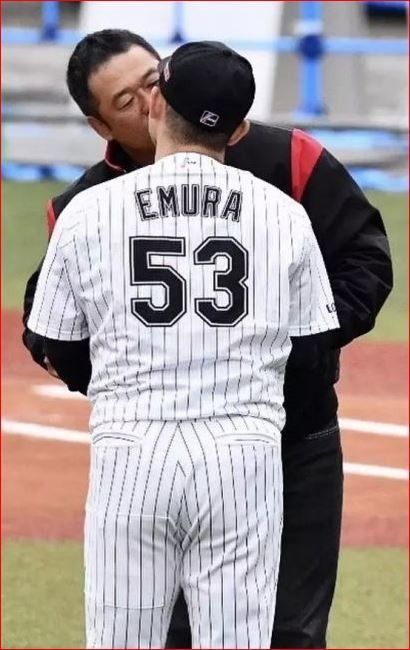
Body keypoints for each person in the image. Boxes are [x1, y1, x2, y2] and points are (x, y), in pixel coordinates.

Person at [22, 30, 393, 649]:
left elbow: (364, 265)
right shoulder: (84, 203)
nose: (145, 102)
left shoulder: (290, 161)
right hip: (223, 450)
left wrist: (280, 364)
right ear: (99, 125)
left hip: (290, 442)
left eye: (151, 82)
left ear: (167, 88)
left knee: (288, 634)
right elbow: (51, 318)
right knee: (183, 633)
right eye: (124, 100)